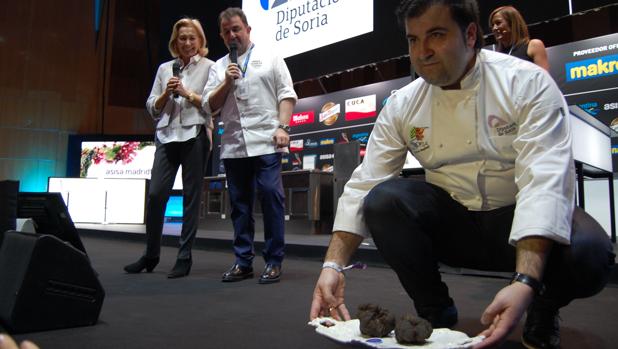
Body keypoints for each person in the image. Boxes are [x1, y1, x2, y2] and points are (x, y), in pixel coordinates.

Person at [308, 1, 614, 349]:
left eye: (436, 35)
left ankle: (541, 305)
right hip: (456, 229)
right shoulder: (402, 104)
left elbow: (543, 182)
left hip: (518, 223)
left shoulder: (527, 83)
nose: (422, 52)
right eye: (413, 39)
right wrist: (332, 265)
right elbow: (366, 182)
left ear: (470, 34)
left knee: (590, 252)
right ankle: (435, 312)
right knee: (383, 199)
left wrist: (526, 279)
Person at [203, 8, 297, 284]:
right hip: (234, 144)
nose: (232, 35)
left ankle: (273, 260)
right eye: (227, 31)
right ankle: (243, 261)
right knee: (240, 206)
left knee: (271, 196)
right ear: (221, 36)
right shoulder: (218, 67)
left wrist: (283, 127)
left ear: (247, 29)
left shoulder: (270, 58)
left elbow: (287, 94)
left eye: (236, 29)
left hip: (267, 140)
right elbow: (211, 105)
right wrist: (226, 82)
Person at [124, 18, 214, 278]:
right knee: (155, 195)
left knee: (191, 198)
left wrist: (186, 93)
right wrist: (165, 95)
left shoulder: (210, 67)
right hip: (166, 135)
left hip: (195, 133)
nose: (187, 43)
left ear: (200, 41)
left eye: (192, 38)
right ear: (175, 42)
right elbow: (152, 105)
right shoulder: (165, 68)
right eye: (182, 38)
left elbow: (212, 104)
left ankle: (184, 257)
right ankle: (151, 254)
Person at [489, 5, 549, 70]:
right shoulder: (496, 55)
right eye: (492, 25)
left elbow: (544, 77)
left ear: (512, 23)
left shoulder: (534, 45)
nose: (494, 28)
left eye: (498, 23)